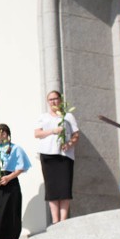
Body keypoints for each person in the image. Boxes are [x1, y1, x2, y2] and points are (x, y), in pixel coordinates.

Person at [35, 90, 79, 224]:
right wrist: (53, 131)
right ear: (48, 102)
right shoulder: (43, 117)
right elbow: (37, 133)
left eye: (56, 99)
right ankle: (55, 220)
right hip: (48, 154)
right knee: (52, 188)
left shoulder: (68, 116)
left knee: (65, 187)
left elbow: (76, 135)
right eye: (50, 99)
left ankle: (63, 220)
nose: (53, 101)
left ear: (60, 100)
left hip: (64, 155)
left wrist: (70, 143)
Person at [0, 124, 31, 239]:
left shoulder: (16, 148)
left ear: (4, 134)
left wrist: (9, 177)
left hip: (10, 182)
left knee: (10, 212)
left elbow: (21, 167)